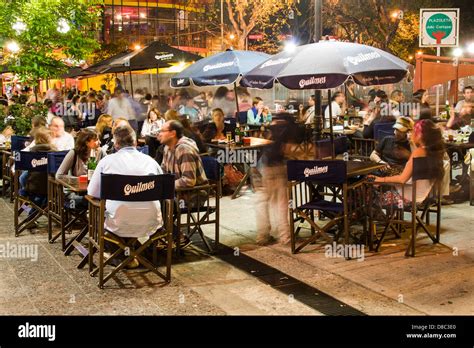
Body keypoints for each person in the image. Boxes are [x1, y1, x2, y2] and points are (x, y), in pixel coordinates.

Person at [88, 125, 163, 268]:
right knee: (127, 211)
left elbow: (92, 192)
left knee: (101, 212)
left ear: (116, 144)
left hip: (118, 224)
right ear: (135, 143)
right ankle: (135, 253)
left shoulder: (107, 161)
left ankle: (122, 255)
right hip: (152, 223)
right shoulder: (151, 161)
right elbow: (163, 190)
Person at [371, 119, 445, 205]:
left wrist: (379, 179)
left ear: (420, 135)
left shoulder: (419, 152)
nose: (412, 133)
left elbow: (402, 179)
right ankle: (386, 216)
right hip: (419, 197)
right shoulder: (434, 152)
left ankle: (377, 216)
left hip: (405, 198)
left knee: (365, 194)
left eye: (414, 132)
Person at [255, 114, 295, 246]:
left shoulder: (272, 128)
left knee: (264, 201)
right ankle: (284, 237)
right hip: (278, 167)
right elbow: (287, 150)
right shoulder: (289, 130)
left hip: (264, 167)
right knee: (281, 203)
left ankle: (262, 235)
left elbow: (266, 144)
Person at [19, 127, 57, 224]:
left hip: (33, 188)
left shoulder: (30, 152)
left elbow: (23, 177)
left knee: (27, 199)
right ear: (49, 139)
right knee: (40, 201)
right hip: (51, 190)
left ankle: (29, 213)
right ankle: (34, 215)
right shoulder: (56, 152)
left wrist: (25, 188)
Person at [158, 120, 207, 189]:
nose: (159, 134)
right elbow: (163, 171)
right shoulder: (167, 147)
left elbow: (189, 181)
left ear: (173, 133)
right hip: (176, 192)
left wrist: (165, 185)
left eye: (162, 131)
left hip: (193, 194)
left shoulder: (184, 149)